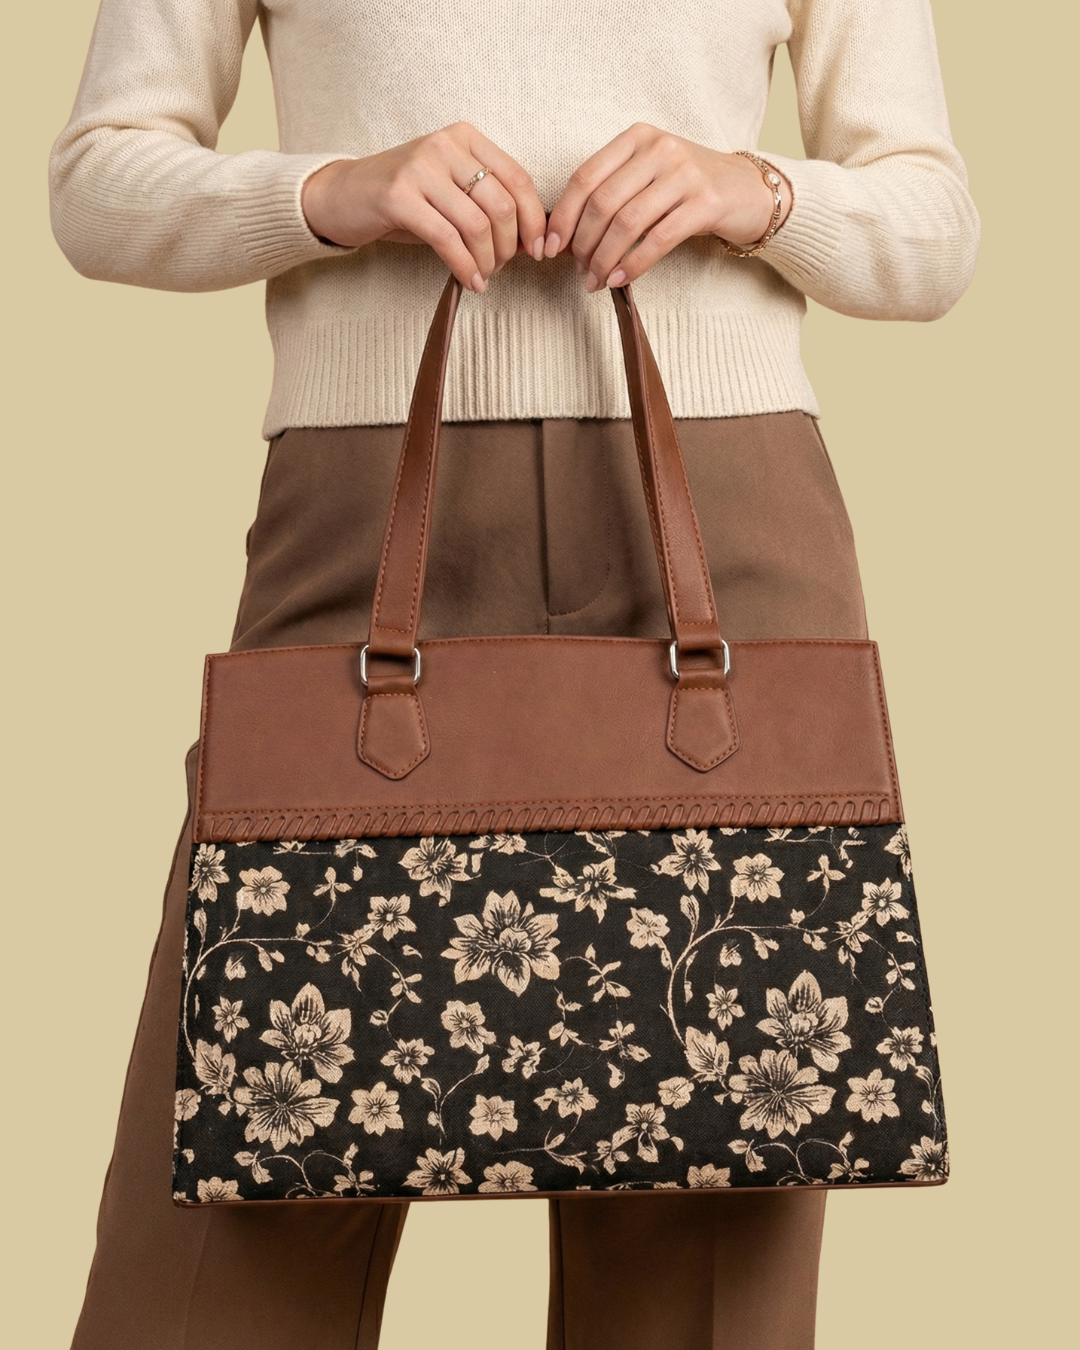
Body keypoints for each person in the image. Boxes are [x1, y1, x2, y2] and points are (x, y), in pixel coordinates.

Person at [49, 1, 979, 1347]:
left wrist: (752, 192)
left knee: (703, 1227)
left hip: (725, 517)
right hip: (364, 503)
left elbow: (933, 223)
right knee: (229, 1208)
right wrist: (329, 193)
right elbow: (97, 181)